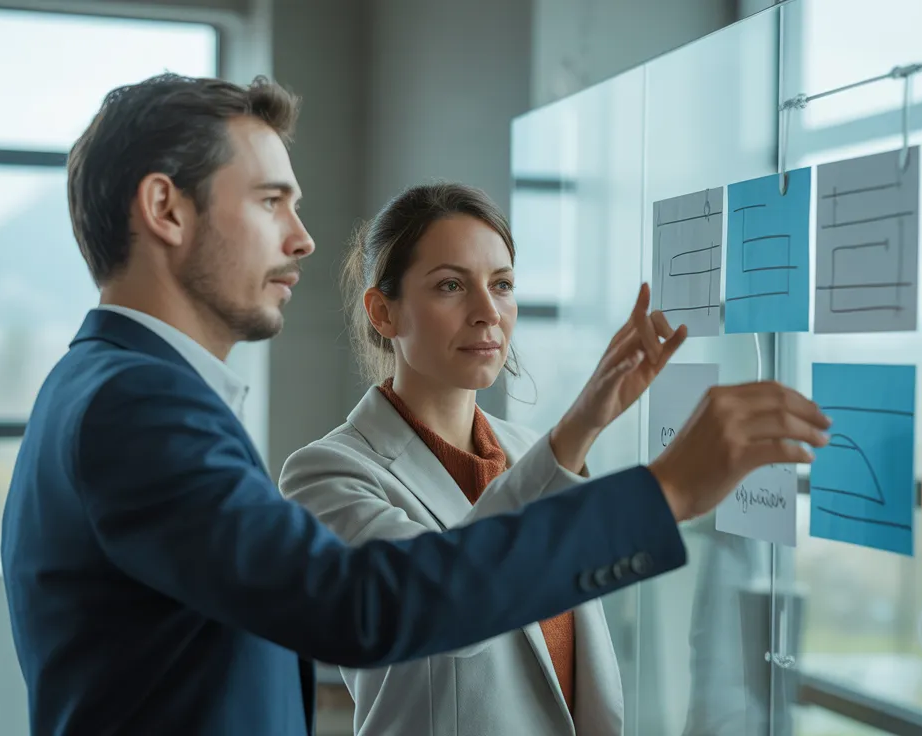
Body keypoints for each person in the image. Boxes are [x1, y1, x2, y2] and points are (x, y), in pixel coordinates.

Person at [0, 72, 832, 736]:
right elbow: (362, 603)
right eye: (269, 201)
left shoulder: (120, 386)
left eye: (503, 284)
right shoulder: (139, 404)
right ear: (165, 209)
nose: (303, 238)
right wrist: (666, 494)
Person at [278, 182, 680, 736]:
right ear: (383, 312)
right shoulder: (325, 475)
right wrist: (581, 426)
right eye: (450, 285)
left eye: (503, 285)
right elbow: (447, 608)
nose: (488, 312)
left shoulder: (532, 454)